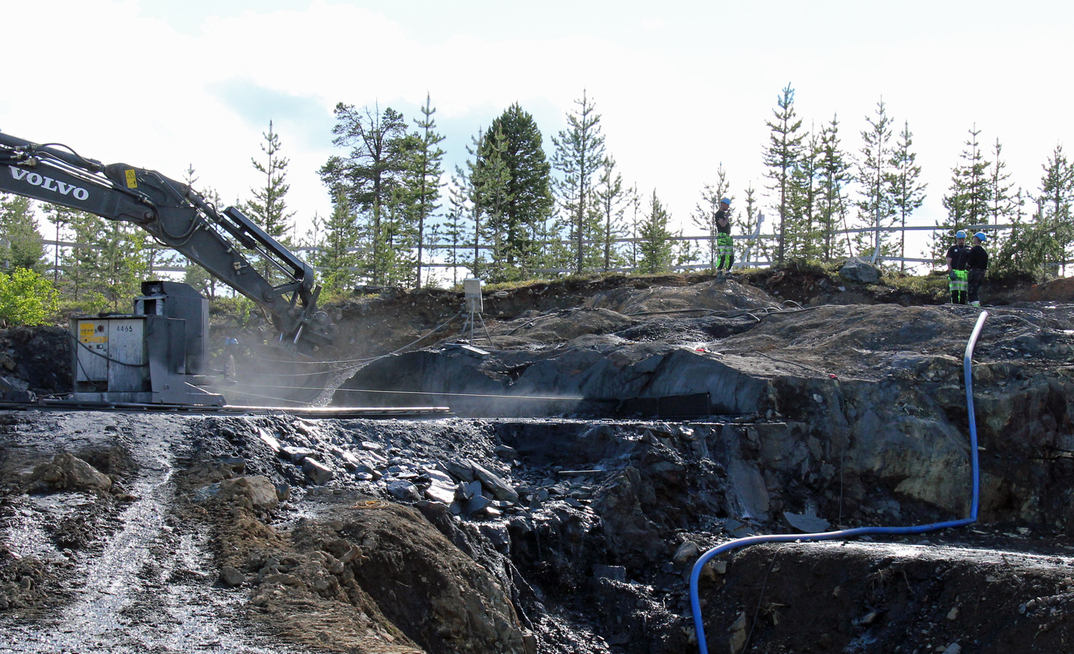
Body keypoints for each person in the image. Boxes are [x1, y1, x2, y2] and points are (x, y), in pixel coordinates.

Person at [946, 230, 971, 304]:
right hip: (955, 273)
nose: (961, 241)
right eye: (960, 239)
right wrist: (950, 271)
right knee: (954, 292)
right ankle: (954, 306)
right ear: (957, 239)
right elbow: (949, 261)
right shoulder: (952, 249)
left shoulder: (969, 249)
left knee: (963, 292)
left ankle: (962, 306)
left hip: (964, 274)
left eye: (963, 239)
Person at [967, 231, 988, 307]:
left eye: (974, 237)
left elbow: (970, 262)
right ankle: (974, 305)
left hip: (974, 272)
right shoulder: (984, 252)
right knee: (976, 289)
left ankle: (974, 307)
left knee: (972, 291)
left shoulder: (974, 250)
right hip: (981, 273)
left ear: (977, 239)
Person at [715, 198, 733, 272]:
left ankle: (727, 270)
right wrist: (727, 217)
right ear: (723, 204)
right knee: (722, 254)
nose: (728, 207)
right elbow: (722, 224)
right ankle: (719, 270)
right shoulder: (718, 214)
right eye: (727, 205)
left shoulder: (723, 214)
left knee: (729, 254)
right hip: (722, 236)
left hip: (727, 236)